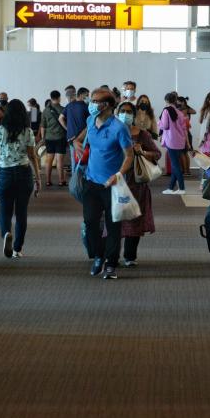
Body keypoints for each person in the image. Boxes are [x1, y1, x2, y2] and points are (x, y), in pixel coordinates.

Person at [72, 89, 134, 279]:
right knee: (90, 222)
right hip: (91, 182)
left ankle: (111, 264)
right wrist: (75, 142)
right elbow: (80, 137)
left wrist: (119, 174)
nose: (91, 104)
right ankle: (98, 256)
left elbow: (129, 155)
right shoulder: (90, 121)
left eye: (95, 101)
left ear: (106, 105)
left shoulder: (119, 128)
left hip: (112, 184)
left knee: (113, 225)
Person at [0, 99, 41, 259]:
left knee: (5, 212)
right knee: (21, 213)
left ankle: (6, 235)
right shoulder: (27, 132)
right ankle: (17, 248)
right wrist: (38, 178)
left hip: (5, 174)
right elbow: (32, 156)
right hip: (24, 174)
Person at [117, 101, 160, 267]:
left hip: (136, 183)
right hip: (117, 180)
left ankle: (130, 256)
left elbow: (156, 154)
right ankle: (111, 254)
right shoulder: (112, 132)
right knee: (113, 219)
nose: (125, 114)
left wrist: (142, 151)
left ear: (134, 115)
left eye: (129, 112)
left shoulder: (142, 134)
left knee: (134, 219)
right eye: (122, 111)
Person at [159, 92, 189, 195]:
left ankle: (181, 188)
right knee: (175, 164)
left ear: (166, 101)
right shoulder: (180, 113)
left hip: (171, 141)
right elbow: (184, 128)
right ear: (175, 100)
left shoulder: (166, 111)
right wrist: (187, 142)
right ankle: (171, 188)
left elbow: (164, 126)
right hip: (180, 141)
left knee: (175, 165)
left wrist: (158, 123)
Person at [40, 90, 67, 187]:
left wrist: (43, 138)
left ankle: (48, 181)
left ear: (51, 98)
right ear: (59, 98)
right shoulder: (63, 109)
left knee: (49, 160)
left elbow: (43, 126)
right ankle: (61, 181)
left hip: (49, 138)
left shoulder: (45, 110)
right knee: (60, 160)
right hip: (60, 137)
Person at [60, 87, 90, 162]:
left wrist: (67, 129)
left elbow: (60, 118)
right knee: (84, 159)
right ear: (80, 95)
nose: (87, 98)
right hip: (82, 137)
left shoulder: (69, 105)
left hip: (71, 137)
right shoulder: (86, 107)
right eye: (86, 95)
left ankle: (75, 173)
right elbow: (90, 122)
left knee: (74, 160)